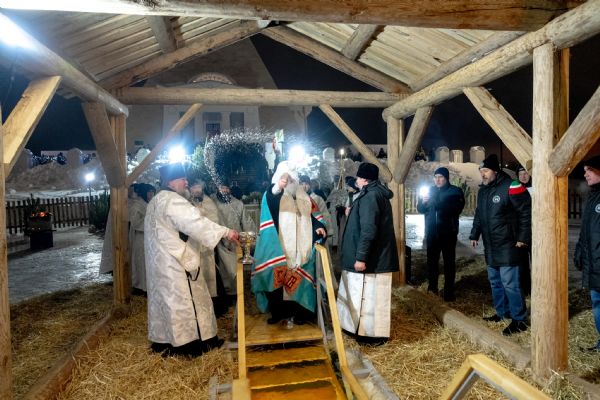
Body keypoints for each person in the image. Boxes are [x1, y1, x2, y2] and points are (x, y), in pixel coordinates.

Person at [144, 163, 239, 357]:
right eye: (182, 179)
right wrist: (226, 232)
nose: (186, 182)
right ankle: (192, 345)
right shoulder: (173, 201)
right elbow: (195, 223)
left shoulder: (156, 200)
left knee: (167, 303)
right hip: (176, 263)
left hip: (160, 264)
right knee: (185, 302)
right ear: (170, 182)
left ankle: (167, 341)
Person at [252, 161, 327, 326]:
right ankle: (279, 312)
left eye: (292, 180)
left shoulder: (305, 197)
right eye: (287, 179)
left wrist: (319, 227)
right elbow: (272, 199)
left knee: (302, 279)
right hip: (280, 246)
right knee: (277, 279)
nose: (290, 183)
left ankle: (301, 313)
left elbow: (314, 217)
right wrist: (279, 186)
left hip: (302, 247)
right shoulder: (273, 194)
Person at [336, 162, 399, 344]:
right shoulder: (373, 193)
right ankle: (361, 331)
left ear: (364, 179)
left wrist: (361, 257)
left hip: (372, 259)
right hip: (373, 256)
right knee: (368, 296)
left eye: (358, 177)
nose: (356, 180)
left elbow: (369, 229)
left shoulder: (371, 197)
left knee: (369, 298)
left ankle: (371, 336)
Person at [469, 154, 531, 336]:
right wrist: (474, 233)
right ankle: (502, 312)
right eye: (481, 171)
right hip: (491, 245)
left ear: (495, 171)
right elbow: (479, 215)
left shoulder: (512, 186)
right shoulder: (483, 191)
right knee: (495, 282)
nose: (483, 174)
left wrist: (523, 237)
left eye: (486, 170)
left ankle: (519, 319)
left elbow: (526, 213)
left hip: (508, 244)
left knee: (510, 283)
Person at [417, 167, 465, 301]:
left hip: (448, 233)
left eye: (441, 177)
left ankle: (449, 293)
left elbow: (457, 209)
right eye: (436, 177)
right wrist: (423, 202)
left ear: (446, 178)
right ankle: (432, 289)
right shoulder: (430, 190)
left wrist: (437, 203)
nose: (437, 180)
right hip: (432, 234)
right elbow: (420, 209)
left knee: (449, 263)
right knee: (432, 263)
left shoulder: (455, 191)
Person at [188, 179, 228, 317]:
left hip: (206, 244)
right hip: (193, 244)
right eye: (194, 187)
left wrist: (201, 215)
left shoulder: (208, 202)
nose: (196, 190)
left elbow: (214, 220)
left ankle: (217, 308)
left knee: (211, 274)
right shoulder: (186, 202)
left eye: (198, 187)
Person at [211, 178, 255, 300]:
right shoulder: (211, 203)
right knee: (223, 269)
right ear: (217, 188)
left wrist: (249, 240)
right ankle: (227, 294)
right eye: (222, 187)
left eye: (226, 188)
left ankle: (237, 293)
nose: (224, 190)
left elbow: (246, 222)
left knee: (235, 269)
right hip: (219, 242)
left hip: (235, 241)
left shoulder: (238, 204)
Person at [574, 155, 600, 352]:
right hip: (594, 264)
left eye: (589, 170)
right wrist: (579, 251)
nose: (585, 174)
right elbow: (586, 231)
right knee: (597, 303)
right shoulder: (593, 197)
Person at [128, 183, 156, 294]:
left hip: (150, 238)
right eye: (149, 192)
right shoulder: (137, 206)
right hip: (141, 237)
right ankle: (141, 286)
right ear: (144, 192)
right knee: (141, 262)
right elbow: (135, 223)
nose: (151, 194)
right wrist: (150, 221)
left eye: (152, 192)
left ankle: (149, 286)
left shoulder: (149, 204)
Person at [515, 165, 532, 296]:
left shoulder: (537, 188)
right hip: (521, 231)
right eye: (520, 174)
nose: (523, 176)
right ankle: (526, 289)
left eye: (525, 173)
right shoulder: (515, 191)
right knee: (522, 263)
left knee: (537, 262)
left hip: (536, 231)